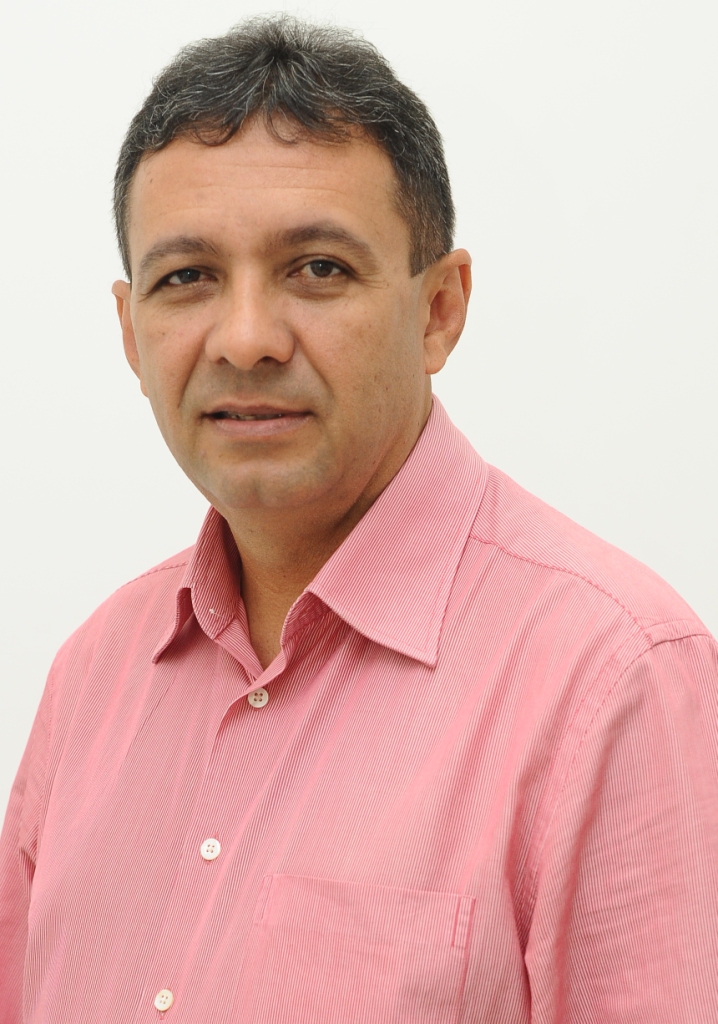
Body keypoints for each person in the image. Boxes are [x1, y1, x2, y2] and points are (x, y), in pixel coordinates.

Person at [1, 14, 717, 1023]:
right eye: (187, 277)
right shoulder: (93, 675)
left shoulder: (612, 679)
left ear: (439, 309)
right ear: (130, 332)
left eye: (318, 268)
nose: (245, 339)